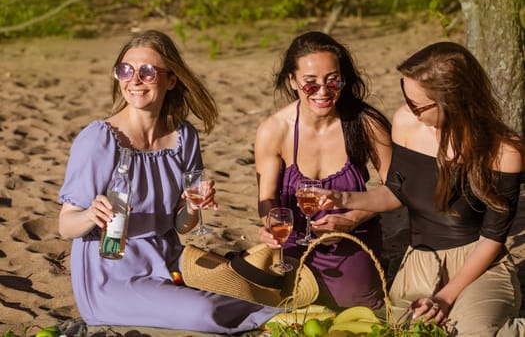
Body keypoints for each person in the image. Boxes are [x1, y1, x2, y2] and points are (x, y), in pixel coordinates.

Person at [58, 29, 278, 333]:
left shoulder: (184, 137)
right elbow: (65, 225)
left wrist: (193, 203)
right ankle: (277, 317)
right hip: (111, 275)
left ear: (171, 79)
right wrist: (87, 215)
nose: (134, 80)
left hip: (169, 260)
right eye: (125, 70)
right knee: (204, 310)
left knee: (242, 287)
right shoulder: (99, 140)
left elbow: (182, 225)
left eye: (147, 72)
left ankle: (283, 310)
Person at [319, 41, 523, 336]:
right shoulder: (406, 122)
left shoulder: (504, 151)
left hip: (480, 264)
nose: (409, 110)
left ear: (454, 101)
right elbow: (396, 191)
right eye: (406, 96)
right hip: (421, 260)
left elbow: (492, 237)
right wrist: (344, 198)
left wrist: (445, 296)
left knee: (472, 332)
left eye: (418, 104)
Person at [254, 31, 392, 311]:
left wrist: (352, 219)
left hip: (352, 235)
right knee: (280, 298)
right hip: (292, 239)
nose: (323, 90)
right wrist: (271, 224)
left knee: (354, 304)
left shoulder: (367, 124)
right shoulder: (275, 129)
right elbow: (266, 198)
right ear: (292, 81)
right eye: (310, 83)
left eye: (333, 80)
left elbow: (396, 190)